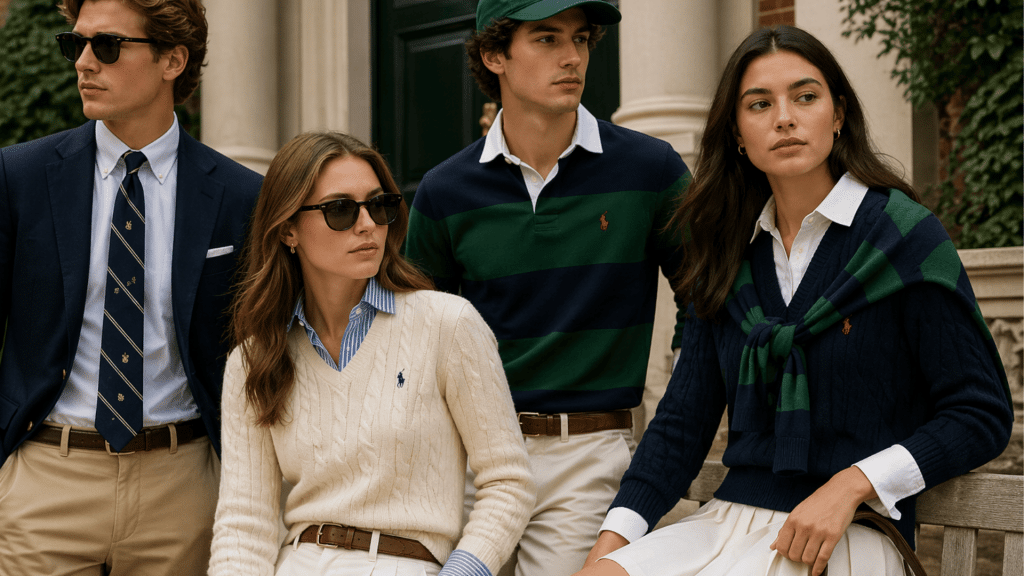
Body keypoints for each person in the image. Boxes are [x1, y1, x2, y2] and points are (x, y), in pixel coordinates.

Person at [576, 25, 1014, 576]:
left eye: (805, 97)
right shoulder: (729, 253)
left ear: (837, 115)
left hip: (850, 530)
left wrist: (853, 484)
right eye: (759, 105)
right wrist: (611, 543)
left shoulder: (903, 238)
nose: (784, 117)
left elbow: (981, 412)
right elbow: (682, 424)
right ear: (737, 133)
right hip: (730, 523)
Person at [405, 1, 692, 574]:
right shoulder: (445, 191)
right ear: (494, 56)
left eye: (581, 39)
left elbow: (708, 303)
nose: (573, 57)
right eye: (547, 39)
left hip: (586, 453)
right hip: (471, 454)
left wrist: (674, 419)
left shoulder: (650, 170)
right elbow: (414, 337)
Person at [0, 0, 261, 573]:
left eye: (108, 46)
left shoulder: (240, 196)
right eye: (77, 45)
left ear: (172, 59)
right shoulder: (19, 177)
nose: (84, 63)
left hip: (183, 485)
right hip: (46, 479)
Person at [208, 131, 535, 576]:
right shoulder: (253, 359)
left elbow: (507, 482)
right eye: (340, 209)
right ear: (287, 229)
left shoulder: (447, 325)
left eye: (378, 206)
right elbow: (244, 525)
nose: (367, 225)